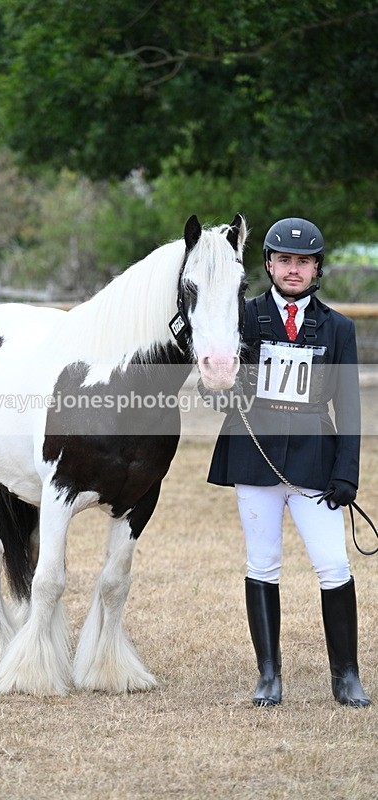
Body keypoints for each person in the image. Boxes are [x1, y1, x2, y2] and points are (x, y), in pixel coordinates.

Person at [205, 217, 371, 707]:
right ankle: (269, 676)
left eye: (303, 262)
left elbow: (350, 407)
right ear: (269, 265)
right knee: (263, 562)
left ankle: (346, 676)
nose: (293, 269)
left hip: (314, 462)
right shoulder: (243, 319)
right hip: (254, 456)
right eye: (284, 260)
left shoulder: (338, 328)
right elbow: (215, 393)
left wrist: (346, 472)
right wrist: (221, 386)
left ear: (316, 267)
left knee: (333, 564)